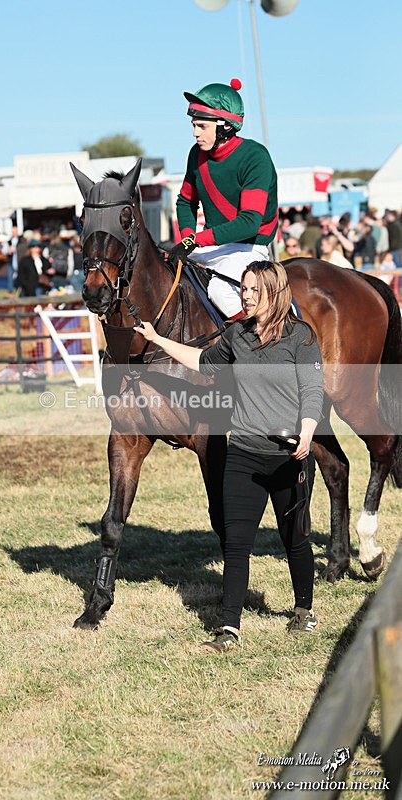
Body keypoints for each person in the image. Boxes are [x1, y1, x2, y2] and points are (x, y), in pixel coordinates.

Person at [135, 260, 324, 651]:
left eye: (254, 290)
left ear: (274, 292)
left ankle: (303, 610)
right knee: (237, 544)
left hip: (289, 456)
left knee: (295, 540)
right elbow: (200, 361)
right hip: (243, 454)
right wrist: (156, 339)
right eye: (243, 288)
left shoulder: (300, 337)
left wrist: (307, 432)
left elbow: (312, 390)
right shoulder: (237, 335)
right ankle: (229, 629)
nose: (246, 295)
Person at [171, 79, 278, 322]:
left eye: (201, 126)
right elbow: (185, 201)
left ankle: (258, 349)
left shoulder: (255, 157)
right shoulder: (196, 154)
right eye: (194, 126)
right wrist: (188, 237)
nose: (195, 133)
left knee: (221, 292)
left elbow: (249, 222)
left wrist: (197, 239)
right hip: (212, 246)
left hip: (250, 248)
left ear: (225, 126)